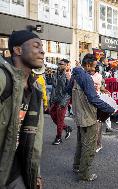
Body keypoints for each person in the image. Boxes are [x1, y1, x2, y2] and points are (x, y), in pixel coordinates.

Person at [0, 30, 44, 189]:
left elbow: (34, 139)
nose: (42, 51)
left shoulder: (36, 90)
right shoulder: (2, 78)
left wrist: (35, 173)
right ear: (18, 50)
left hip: (15, 169)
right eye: (36, 46)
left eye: (42, 47)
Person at [63, 53, 115, 181]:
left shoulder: (75, 75)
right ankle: (84, 174)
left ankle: (77, 166)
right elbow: (93, 99)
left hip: (79, 114)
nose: (95, 69)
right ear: (87, 65)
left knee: (81, 143)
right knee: (90, 146)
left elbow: (68, 90)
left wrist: (79, 101)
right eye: (93, 67)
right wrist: (109, 109)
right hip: (88, 116)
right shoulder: (86, 78)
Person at [49, 59, 72, 145]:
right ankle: (66, 127)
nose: (59, 65)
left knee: (60, 119)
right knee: (52, 114)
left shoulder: (68, 76)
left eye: (61, 64)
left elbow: (69, 91)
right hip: (56, 99)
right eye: (59, 64)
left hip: (63, 100)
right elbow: (54, 88)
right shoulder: (55, 74)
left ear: (66, 66)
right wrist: (51, 100)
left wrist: (63, 103)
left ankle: (58, 137)